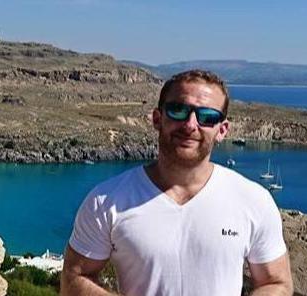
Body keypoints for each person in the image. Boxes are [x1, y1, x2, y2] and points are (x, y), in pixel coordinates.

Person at [61, 70, 293, 295]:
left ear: (222, 130)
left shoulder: (254, 200)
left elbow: (277, 283)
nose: (190, 125)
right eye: (178, 110)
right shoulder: (105, 201)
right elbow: (74, 278)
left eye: (207, 117)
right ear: (157, 118)